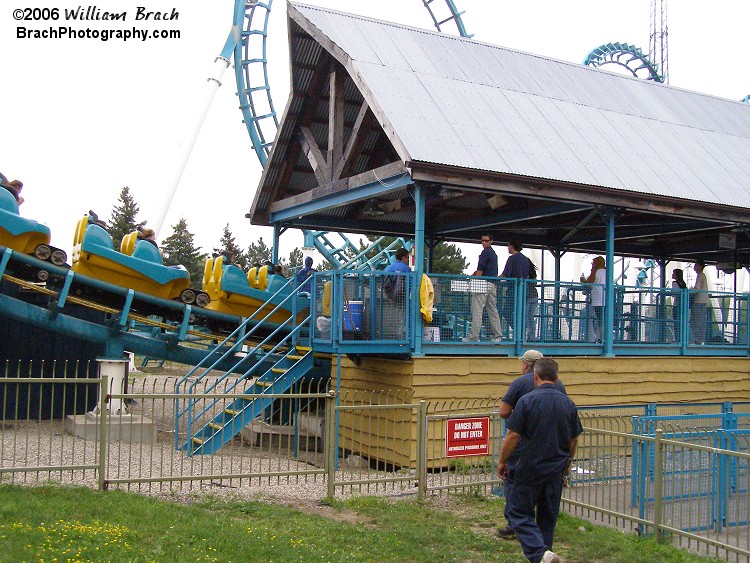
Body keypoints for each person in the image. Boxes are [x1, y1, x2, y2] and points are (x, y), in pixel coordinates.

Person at [498, 358, 582, 563]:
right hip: (556, 468)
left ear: (535, 376)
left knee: (517, 511)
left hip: (530, 466)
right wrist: (567, 464)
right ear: (557, 377)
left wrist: (502, 461)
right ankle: (546, 554)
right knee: (547, 516)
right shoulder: (568, 403)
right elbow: (573, 439)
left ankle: (538, 554)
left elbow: (513, 436)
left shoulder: (527, 401)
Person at [497, 351, 566, 539]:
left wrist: (520, 419)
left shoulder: (520, 383)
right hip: (551, 446)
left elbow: (503, 411)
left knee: (513, 482)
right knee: (546, 492)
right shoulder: (558, 385)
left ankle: (516, 524)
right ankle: (543, 536)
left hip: (522, 445)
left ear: (528, 366)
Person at [463, 234, 503, 342]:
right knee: (493, 311)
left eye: (486, 241)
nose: (484, 243)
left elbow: (480, 270)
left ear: (491, 241)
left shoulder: (485, 253)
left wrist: (475, 280)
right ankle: (498, 336)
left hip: (482, 284)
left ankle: (474, 336)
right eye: (482, 241)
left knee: (477, 311)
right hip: (492, 284)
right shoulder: (494, 254)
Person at [499, 241, 537, 340]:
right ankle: (526, 333)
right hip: (524, 291)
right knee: (525, 315)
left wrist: (495, 279)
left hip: (513, 290)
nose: (508, 248)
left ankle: (520, 330)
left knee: (507, 312)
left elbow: (505, 274)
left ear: (512, 246)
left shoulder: (511, 259)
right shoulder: (525, 259)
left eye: (508, 245)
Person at [384, 247, 411, 338]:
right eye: (407, 258)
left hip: (391, 297)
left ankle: (393, 334)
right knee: (403, 316)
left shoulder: (388, 268)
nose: (407, 260)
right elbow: (409, 284)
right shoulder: (406, 269)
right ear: (403, 257)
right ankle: (402, 336)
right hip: (402, 296)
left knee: (393, 315)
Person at [581, 256, 606, 342]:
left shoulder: (596, 272)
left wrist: (583, 281)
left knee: (594, 320)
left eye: (593, 263)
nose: (592, 265)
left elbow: (588, 284)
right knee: (602, 319)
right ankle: (602, 338)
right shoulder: (607, 272)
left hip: (597, 300)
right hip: (606, 300)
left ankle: (595, 339)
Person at [690, 260, 709, 344]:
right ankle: (700, 339)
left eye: (696, 265)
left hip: (699, 301)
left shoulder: (700, 276)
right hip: (702, 301)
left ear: (700, 266)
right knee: (700, 321)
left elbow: (696, 289)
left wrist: (688, 290)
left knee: (696, 321)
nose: (695, 266)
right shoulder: (702, 276)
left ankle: (698, 339)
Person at [671, 268, 687, 343]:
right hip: (683, 306)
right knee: (682, 323)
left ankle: (677, 340)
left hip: (676, 306)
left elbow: (674, 293)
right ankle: (683, 339)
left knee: (676, 323)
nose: (672, 274)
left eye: (673, 273)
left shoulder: (674, 283)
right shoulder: (683, 284)